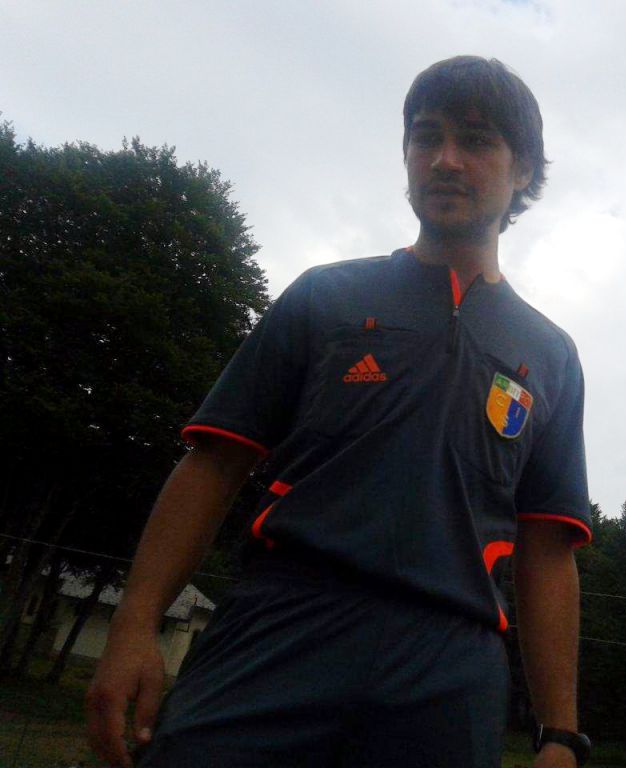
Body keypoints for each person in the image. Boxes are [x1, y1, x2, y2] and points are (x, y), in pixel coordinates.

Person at [85, 56, 592, 768]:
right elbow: (213, 465)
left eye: (476, 141)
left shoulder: (552, 355)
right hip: (279, 630)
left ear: (525, 170)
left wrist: (560, 733)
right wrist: (134, 626)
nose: (445, 159)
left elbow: (547, 551)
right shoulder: (325, 296)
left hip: (449, 668)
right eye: (426, 136)